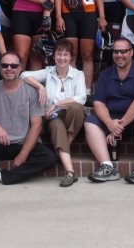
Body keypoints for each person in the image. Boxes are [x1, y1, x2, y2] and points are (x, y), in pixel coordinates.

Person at [0, 51, 56, 201]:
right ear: (0, 68)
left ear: (20, 69)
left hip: (21, 144)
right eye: (5, 65)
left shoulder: (31, 92)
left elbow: (36, 126)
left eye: (13, 65)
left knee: (49, 158)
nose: (9, 68)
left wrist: (23, 155)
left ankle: (1, 176)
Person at [85, 38, 134, 184]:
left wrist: (118, 127)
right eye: (116, 51)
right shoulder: (106, 74)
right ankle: (107, 167)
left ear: (131, 52)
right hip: (111, 121)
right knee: (90, 121)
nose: (119, 55)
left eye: (123, 51)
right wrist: (110, 123)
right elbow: (98, 103)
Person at [20, 39, 86, 187]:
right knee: (56, 127)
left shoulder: (78, 74)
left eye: (65, 54)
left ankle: (64, 147)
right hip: (53, 117)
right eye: (59, 54)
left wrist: (56, 104)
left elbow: (81, 98)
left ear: (71, 57)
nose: (62, 58)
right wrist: (40, 87)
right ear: (54, 56)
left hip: (71, 114)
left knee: (76, 107)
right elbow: (23, 75)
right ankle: (70, 172)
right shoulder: (48, 72)